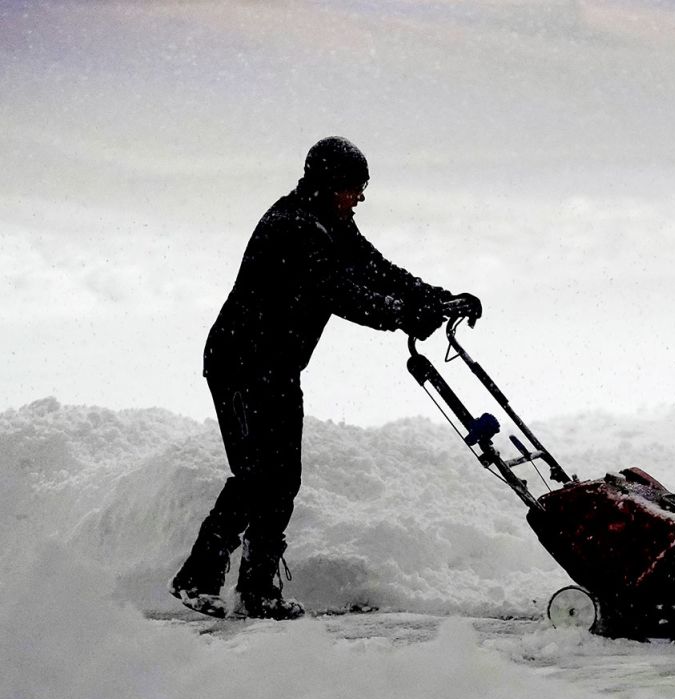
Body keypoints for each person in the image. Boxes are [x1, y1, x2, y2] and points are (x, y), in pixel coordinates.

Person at [169, 136, 481, 620]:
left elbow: (374, 269)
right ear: (327, 183)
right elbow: (338, 291)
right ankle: (198, 577)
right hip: (240, 362)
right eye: (353, 187)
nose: (359, 197)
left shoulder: (330, 223)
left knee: (281, 479)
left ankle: (256, 592)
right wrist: (402, 315)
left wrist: (436, 299)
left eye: (362, 188)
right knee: (257, 476)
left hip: (274, 366)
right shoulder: (293, 226)